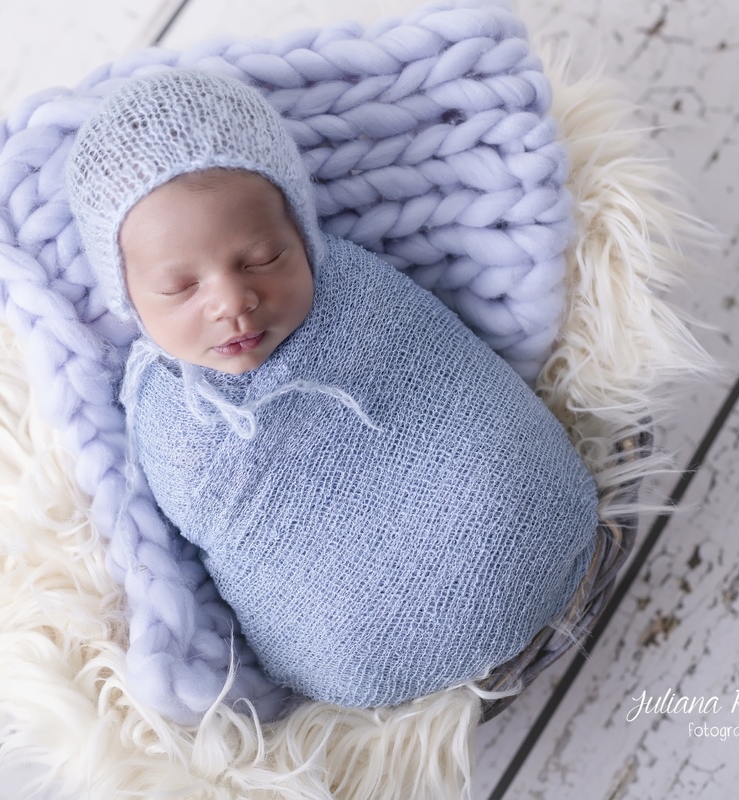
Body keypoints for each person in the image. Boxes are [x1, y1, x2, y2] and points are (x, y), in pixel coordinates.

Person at [66, 68, 599, 708]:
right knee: (337, 621)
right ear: (128, 297)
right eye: (181, 288)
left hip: (510, 511)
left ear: (302, 232)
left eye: (262, 258)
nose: (234, 301)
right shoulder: (162, 410)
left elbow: (448, 379)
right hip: (352, 635)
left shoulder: (351, 292)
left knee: (503, 484)